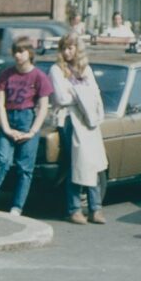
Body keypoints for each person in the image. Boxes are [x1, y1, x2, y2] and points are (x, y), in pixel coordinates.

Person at [0, 36, 53, 216]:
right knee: (2, 161)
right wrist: (6, 128)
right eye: (15, 51)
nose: (18, 55)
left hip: (27, 118)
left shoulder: (39, 76)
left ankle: (17, 206)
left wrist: (32, 132)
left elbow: (43, 107)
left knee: (25, 168)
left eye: (21, 51)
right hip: (9, 117)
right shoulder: (7, 74)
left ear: (29, 53)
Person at [50, 33, 108, 224]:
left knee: (93, 163)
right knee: (77, 162)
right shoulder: (57, 70)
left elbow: (96, 93)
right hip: (68, 119)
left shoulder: (86, 69)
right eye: (64, 48)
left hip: (88, 118)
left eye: (71, 48)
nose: (67, 52)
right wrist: (83, 95)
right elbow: (61, 98)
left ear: (77, 49)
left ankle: (95, 208)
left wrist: (76, 92)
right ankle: (74, 208)